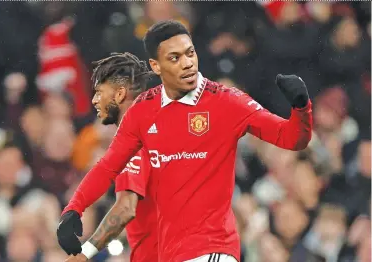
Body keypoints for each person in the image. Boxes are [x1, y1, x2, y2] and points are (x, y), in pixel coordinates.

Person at [58, 20, 313, 262]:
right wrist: (74, 208)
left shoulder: (226, 101)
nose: (188, 63)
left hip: (214, 248)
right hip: (172, 254)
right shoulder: (143, 111)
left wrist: (301, 108)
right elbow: (108, 167)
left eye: (190, 53)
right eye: (175, 58)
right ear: (156, 66)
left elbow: (291, 138)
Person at [58, 52, 157, 262]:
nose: (94, 100)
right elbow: (104, 170)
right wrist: (74, 207)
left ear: (120, 94)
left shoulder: (138, 138)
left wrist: (85, 254)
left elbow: (126, 209)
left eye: (99, 92)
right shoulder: (153, 126)